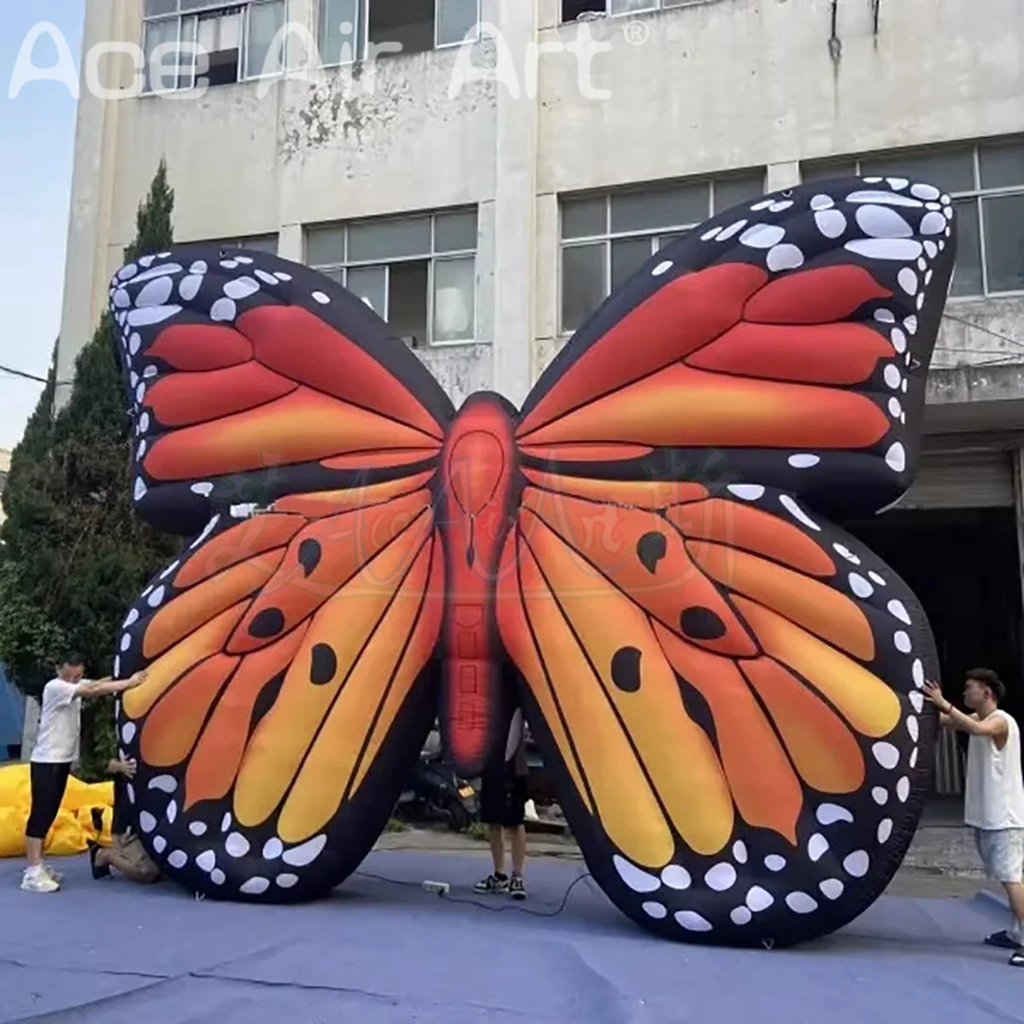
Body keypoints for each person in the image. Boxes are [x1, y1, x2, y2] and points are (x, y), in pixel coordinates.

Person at [21, 655, 146, 894]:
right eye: (69, 675)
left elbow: (99, 682)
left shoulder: (73, 685)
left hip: (60, 761)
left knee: (49, 813)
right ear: (58, 669)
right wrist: (130, 683)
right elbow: (93, 689)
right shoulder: (55, 687)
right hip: (47, 761)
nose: (73, 680)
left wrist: (126, 676)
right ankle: (32, 871)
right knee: (41, 814)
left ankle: (38, 864)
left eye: (77, 676)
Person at [924, 669, 1024, 967]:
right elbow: (947, 721)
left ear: (987, 692)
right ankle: (1016, 933)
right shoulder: (978, 719)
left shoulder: (1001, 721)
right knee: (1010, 877)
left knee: (1012, 879)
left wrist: (944, 703)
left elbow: (977, 729)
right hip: (988, 817)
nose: (965, 693)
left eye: (970, 688)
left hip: (1004, 818)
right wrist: (920, 706)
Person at [473, 708, 529, 901]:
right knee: (493, 821)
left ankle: (517, 877)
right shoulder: (488, 697)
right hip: (491, 764)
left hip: (514, 765)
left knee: (515, 822)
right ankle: (499, 875)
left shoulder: (517, 695)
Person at [87, 755, 161, 885]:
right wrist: (115, 766)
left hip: (157, 826)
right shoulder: (128, 751)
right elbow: (95, 761)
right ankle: (105, 854)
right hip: (129, 827)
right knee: (147, 872)